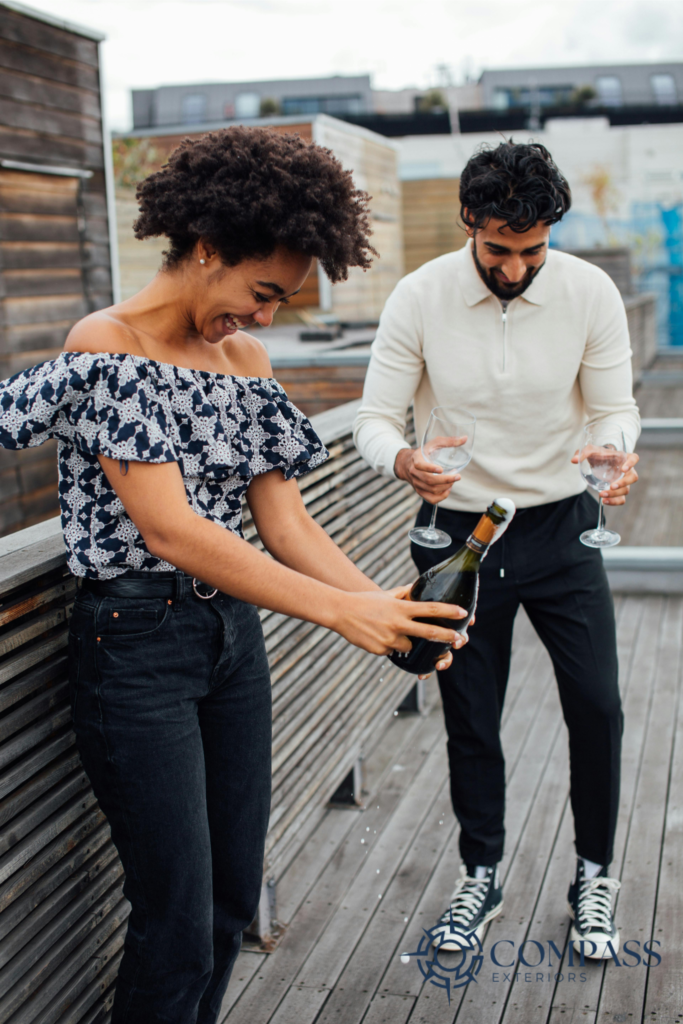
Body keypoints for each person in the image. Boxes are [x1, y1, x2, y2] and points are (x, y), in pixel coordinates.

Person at [0, 128, 470, 1024]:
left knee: (226, 904)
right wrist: (341, 615)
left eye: (282, 303)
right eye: (261, 293)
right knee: (174, 921)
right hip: (135, 644)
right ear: (206, 249)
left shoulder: (246, 364)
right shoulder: (109, 344)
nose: (263, 318)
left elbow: (283, 520)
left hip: (231, 643)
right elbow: (172, 530)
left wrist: (386, 608)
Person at [354, 140, 641, 959]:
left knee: (598, 706)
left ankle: (593, 875)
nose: (515, 269)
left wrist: (614, 451)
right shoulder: (418, 296)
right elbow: (376, 419)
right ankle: (479, 876)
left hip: (558, 526)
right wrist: (402, 459)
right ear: (467, 224)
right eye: (497, 250)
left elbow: (612, 409)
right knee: (469, 716)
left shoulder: (588, 292)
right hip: (457, 537)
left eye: (531, 251)